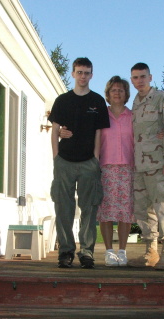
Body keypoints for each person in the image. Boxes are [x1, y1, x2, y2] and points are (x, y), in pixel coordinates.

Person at [60, 76, 135, 267]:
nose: (117, 93)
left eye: (120, 90)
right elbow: (83, 131)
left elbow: (143, 137)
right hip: (104, 167)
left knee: (125, 212)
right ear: (108, 94)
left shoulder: (133, 116)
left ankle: (122, 251)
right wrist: (61, 131)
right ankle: (109, 251)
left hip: (128, 167)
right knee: (106, 211)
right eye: (113, 90)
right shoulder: (101, 114)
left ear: (126, 93)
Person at [49, 57, 109, 269]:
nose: (83, 76)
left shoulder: (98, 101)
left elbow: (99, 132)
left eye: (87, 72)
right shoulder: (62, 100)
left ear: (91, 75)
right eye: (79, 72)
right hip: (64, 162)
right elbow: (55, 130)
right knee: (63, 208)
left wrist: (96, 158)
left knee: (89, 208)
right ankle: (65, 252)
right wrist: (56, 157)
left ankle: (87, 253)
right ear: (73, 74)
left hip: (88, 163)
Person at [127, 62, 164, 270]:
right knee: (143, 210)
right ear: (132, 80)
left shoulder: (162, 98)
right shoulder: (136, 103)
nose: (139, 81)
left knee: (163, 207)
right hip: (139, 166)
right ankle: (151, 252)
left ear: (150, 77)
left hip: (160, 165)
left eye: (142, 76)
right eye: (135, 78)